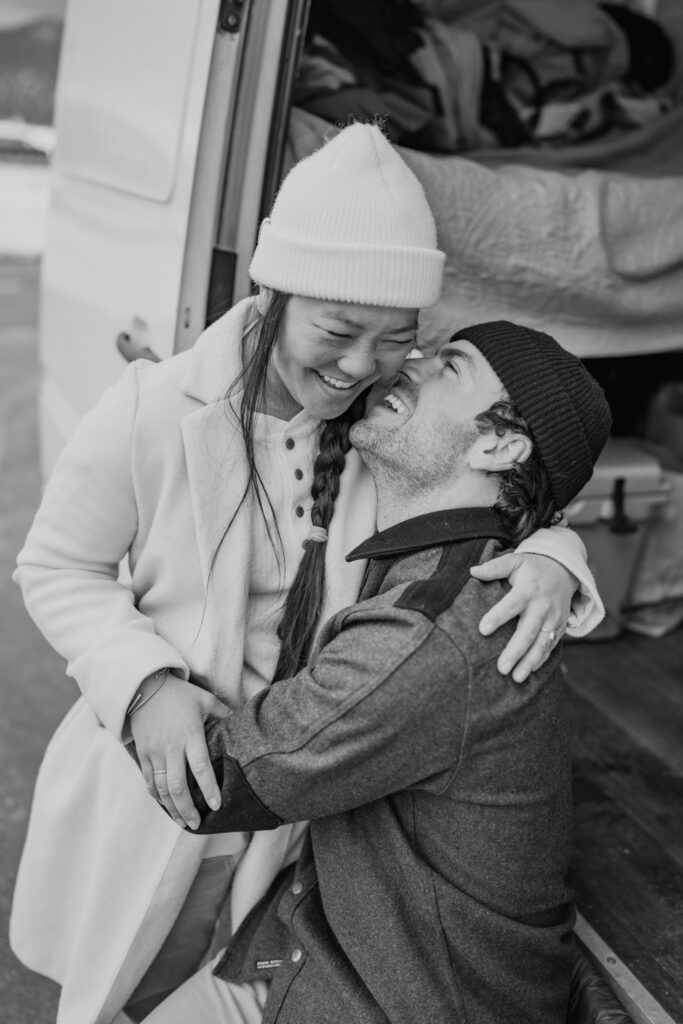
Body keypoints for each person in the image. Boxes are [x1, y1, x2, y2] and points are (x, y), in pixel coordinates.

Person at [11, 125, 601, 1024]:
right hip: (167, 773)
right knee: (131, 975)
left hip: (300, 790)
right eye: (336, 330)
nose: (361, 366)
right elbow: (57, 566)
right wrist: (143, 685)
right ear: (273, 294)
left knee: (227, 965)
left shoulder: (378, 425)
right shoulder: (153, 409)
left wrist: (557, 554)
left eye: (397, 340)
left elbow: (503, 485)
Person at [143, 320, 612, 1024]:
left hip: (387, 999)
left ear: (498, 444)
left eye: (449, 368)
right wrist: (559, 545)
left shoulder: (431, 631)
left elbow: (212, 780)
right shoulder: (450, 567)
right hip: (308, 949)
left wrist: (142, 682)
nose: (407, 366)